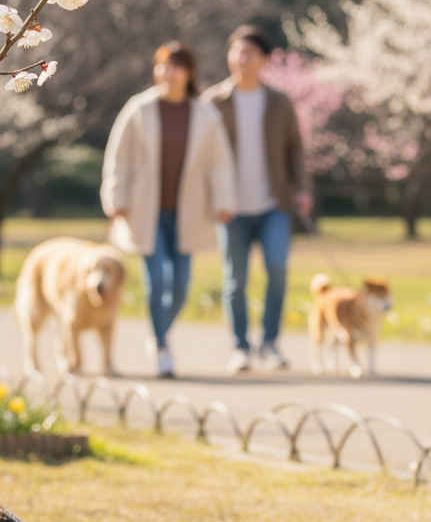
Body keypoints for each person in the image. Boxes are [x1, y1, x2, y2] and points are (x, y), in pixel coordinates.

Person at [101, 42, 237, 378]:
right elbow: (120, 156)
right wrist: (116, 197)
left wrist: (224, 201)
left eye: (174, 67)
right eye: (161, 66)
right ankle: (162, 347)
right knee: (157, 280)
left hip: (186, 212)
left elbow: (219, 163)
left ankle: (159, 331)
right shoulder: (139, 109)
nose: (167, 73)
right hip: (145, 210)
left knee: (181, 287)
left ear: (188, 73)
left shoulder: (205, 115)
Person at [203, 26, 313, 372]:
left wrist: (303, 188)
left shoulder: (279, 102)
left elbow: (295, 149)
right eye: (236, 51)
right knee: (235, 280)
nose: (241, 58)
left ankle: (270, 342)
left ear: (265, 60)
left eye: (249, 52)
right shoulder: (213, 102)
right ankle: (240, 346)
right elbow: (202, 154)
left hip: (273, 206)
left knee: (278, 271)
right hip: (230, 208)